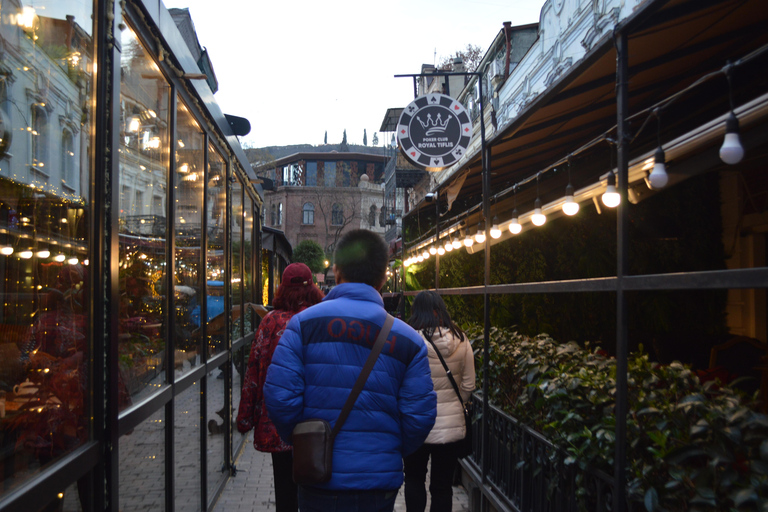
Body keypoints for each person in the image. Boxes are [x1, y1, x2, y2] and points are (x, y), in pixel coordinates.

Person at [264, 229, 437, 512]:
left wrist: (305, 440)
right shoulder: (409, 341)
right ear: (383, 277)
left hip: (319, 478)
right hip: (379, 481)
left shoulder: (303, 326)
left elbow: (279, 398)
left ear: (336, 270)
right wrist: (386, 447)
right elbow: (420, 417)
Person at [236, 263, 325, 512]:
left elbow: (253, 372)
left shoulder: (270, 322)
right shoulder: (321, 320)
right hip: (318, 421)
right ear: (313, 289)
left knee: (285, 490)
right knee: (316, 487)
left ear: (282, 288)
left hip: (278, 422)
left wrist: (245, 418)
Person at [403, 291, 476, 512]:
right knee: (442, 487)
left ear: (417, 311)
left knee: (414, 479)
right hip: (450, 427)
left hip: (415, 423)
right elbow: (469, 384)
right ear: (440, 310)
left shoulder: (408, 339)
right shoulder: (461, 339)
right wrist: (455, 403)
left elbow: (400, 383)